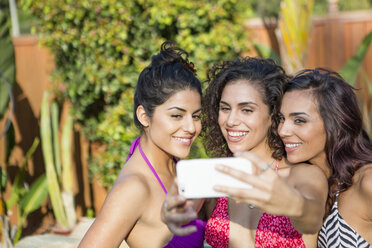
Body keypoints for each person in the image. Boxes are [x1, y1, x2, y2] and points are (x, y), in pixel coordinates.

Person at [161, 57, 328, 247]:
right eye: (225, 108)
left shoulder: (303, 175)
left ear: (272, 115)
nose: (231, 120)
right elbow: (183, 221)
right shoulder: (216, 178)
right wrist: (172, 215)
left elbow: (312, 219)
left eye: (246, 110)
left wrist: (293, 204)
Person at [79, 41, 206, 248]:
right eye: (177, 115)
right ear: (144, 116)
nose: (191, 127)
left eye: (196, 116)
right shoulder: (134, 188)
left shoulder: (174, 166)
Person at [274, 69, 372, 247]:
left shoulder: (367, 181)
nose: (282, 131)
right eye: (281, 118)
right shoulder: (317, 182)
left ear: (337, 126)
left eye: (299, 120)